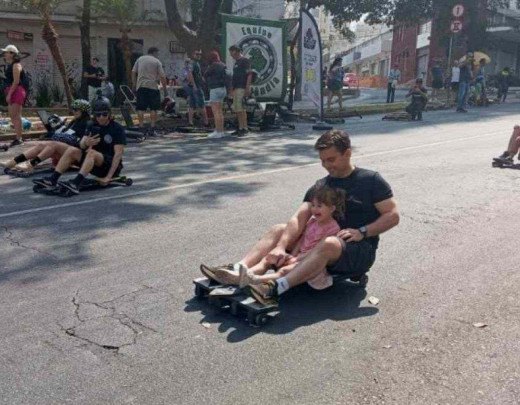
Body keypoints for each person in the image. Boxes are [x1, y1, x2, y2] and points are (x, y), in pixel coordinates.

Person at [199, 129, 400, 305]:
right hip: (318, 241)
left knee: (331, 242)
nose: (326, 165)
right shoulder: (322, 185)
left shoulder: (370, 180)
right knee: (279, 229)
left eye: (331, 159)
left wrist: (363, 232)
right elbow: (299, 217)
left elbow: (392, 215)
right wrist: (280, 246)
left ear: (347, 153)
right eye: (322, 160)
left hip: (357, 249)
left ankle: (276, 287)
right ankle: (240, 270)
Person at [232, 186, 344, 291]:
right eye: (313, 205)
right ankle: (244, 274)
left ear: (332, 208)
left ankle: (256, 281)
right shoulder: (312, 222)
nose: (314, 209)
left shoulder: (333, 228)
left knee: (284, 270)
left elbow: (319, 250)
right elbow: (302, 240)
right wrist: (292, 255)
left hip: (310, 259)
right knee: (270, 258)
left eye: (319, 206)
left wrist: (297, 259)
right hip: (299, 255)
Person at [32, 93, 126, 194]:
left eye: (104, 114)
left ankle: (76, 183)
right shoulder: (91, 124)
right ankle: (52, 180)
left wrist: (108, 177)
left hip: (110, 166)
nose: (101, 117)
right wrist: (86, 142)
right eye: (98, 115)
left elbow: (118, 155)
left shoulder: (117, 128)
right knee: (72, 150)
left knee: (91, 152)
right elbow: (81, 145)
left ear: (109, 113)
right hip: (94, 163)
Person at [1, 99, 91, 173]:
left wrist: (55, 134)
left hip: (78, 156)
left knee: (53, 144)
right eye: (73, 109)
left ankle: (30, 165)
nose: (74, 111)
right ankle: (13, 162)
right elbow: (66, 135)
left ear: (84, 111)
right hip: (69, 150)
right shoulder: (75, 121)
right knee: (42, 145)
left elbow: (74, 139)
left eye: (76, 109)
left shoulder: (87, 124)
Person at [131, 47, 168, 137]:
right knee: (153, 109)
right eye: (157, 53)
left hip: (141, 87)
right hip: (153, 87)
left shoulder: (140, 59)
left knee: (141, 108)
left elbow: (133, 72)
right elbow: (163, 76)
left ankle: (141, 127)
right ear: (154, 53)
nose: (158, 55)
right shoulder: (157, 61)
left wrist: (134, 84)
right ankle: (152, 128)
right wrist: (165, 89)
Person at [2, 44, 29, 147]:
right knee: (13, 116)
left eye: (6, 52)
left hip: (16, 91)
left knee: (16, 116)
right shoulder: (11, 65)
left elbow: (16, 81)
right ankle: (18, 137)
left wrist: (9, 94)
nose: (4, 54)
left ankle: (19, 138)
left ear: (12, 54)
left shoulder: (16, 65)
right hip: (13, 91)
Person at [229, 45, 252, 137]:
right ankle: (240, 127)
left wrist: (247, 87)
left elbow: (249, 74)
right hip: (236, 88)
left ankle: (245, 128)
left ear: (236, 51)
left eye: (231, 52)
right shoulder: (236, 62)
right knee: (237, 109)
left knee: (241, 108)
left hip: (242, 87)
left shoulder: (245, 61)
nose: (231, 55)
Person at [204, 50, 229, 138]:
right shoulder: (223, 65)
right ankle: (221, 131)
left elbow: (205, 74)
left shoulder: (212, 66)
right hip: (223, 89)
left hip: (214, 89)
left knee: (215, 112)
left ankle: (218, 132)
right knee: (220, 111)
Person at [184, 49, 209, 128]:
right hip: (195, 87)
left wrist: (203, 80)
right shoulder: (192, 63)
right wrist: (194, 85)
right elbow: (189, 74)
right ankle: (206, 122)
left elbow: (198, 74)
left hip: (195, 86)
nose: (199, 56)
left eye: (200, 54)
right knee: (201, 104)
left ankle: (190, 122)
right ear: (193, 54)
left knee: (192, 104)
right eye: (197, 54)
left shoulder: (197, 63)